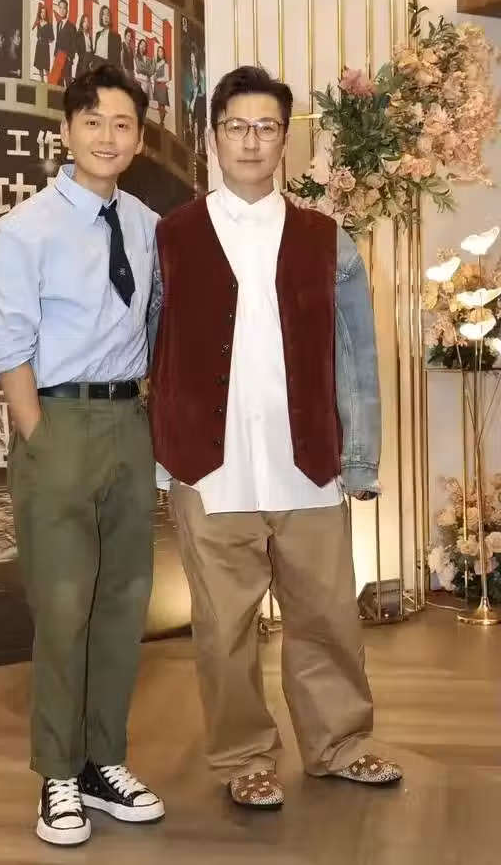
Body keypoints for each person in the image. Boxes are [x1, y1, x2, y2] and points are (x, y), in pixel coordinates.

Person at [148, 65, 403, 809]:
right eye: (238, 126)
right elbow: (151, 347)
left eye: (266, 127)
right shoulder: (173, 235)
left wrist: (359, 457)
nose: (252, 140)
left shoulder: (327, 239)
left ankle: (339, 744)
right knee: (223, 629)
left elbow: (356, 354)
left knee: (326, 616)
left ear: (284, 139)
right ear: (213, 137)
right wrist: (164, 457)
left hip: (308, 463)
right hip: (211, 466)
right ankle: (244, 758)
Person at [0, 63, 164, 846]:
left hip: (129, 422)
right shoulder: (25, 229)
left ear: (139, 137)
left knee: (123, 604)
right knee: (62, 610)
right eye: (92, 121)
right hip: (55, 422)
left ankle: (102, 762)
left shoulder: (148, 224)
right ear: (66, 130)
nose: (107, 137)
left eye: (122, 124)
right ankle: (57, 772)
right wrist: (37, 433)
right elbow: (6, 342)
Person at [54, 0, 76, 85]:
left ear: (67, 10)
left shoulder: (72, 27)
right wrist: (55, 55)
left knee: (68, 83)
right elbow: (57, 41)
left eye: (64, 8)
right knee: (58, 83)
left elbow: (73, 44)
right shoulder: (58, 24)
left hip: (67, 59)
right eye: (60, 8)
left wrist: (70, 57)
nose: (62, 10)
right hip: (58, 58)